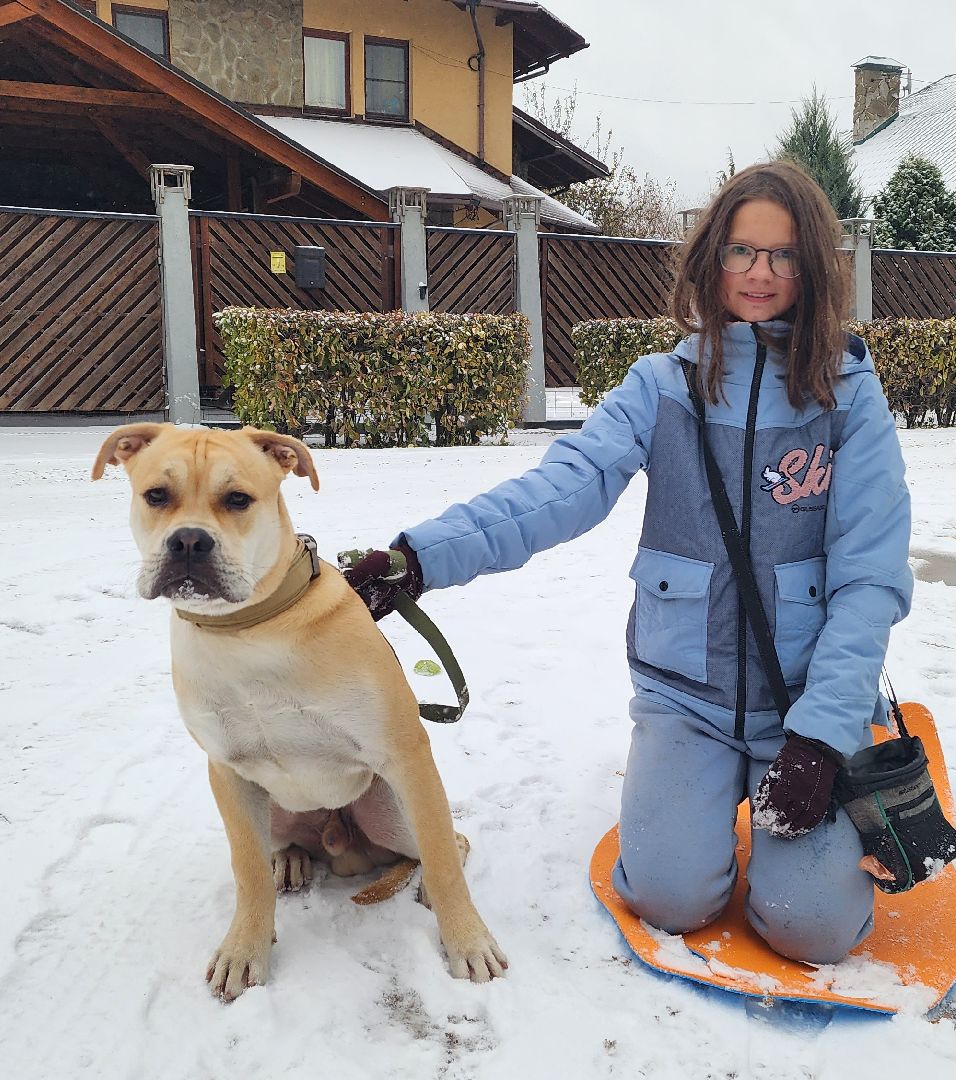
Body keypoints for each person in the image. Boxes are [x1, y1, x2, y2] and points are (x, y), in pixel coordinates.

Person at [341, 161, 912, 965]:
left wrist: (821, 739)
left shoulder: (847, 396)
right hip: (689, 700)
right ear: (711, 258)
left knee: (811, 929)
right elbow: (556, 493)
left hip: (806, 701)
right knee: (667, 900)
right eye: (742, 251)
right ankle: (702, 808)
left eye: (784, 256)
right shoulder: (661, 385)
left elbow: (870, 577)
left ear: (812, 267)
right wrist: (418, 560)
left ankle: (814, 799)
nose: (760, 273)